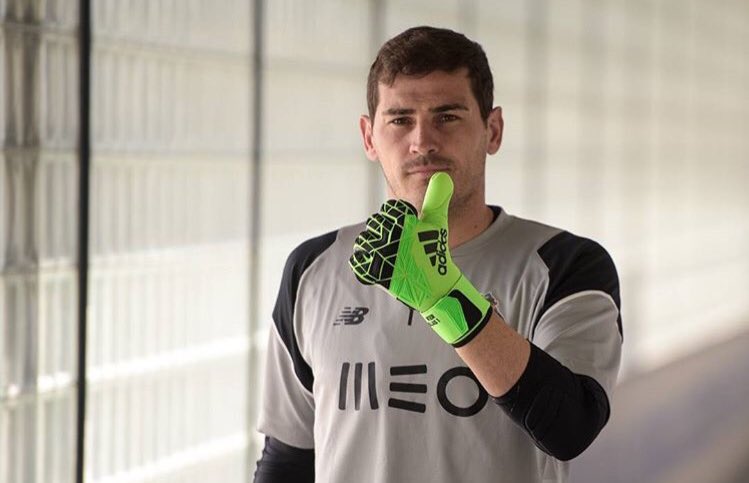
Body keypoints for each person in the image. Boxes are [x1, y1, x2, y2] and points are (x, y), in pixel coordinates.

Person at [254, 26, 622, 483]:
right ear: (369, 137)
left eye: (447, 117)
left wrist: (448, 301)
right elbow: (287, 459)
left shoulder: (565, 264)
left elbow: (571, 427)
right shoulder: (314, 267)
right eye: (400, 119)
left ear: (493, 130)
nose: (423, 141)